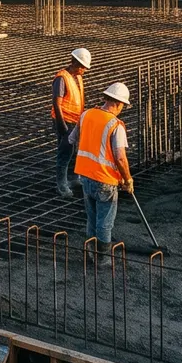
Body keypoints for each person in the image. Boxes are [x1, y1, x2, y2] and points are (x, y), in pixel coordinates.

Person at [73, 82, 135, 244]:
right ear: (118, 103)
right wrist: (127, 179)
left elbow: (72, 139)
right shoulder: (115, 125)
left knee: (91, 219)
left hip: (85, 176)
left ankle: (90, 252)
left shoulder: (86, 115)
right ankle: (102, 260)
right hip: (104, 181)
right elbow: (120, 157)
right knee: (105, 224)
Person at [51, 48, 92, 198]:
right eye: (82, 66)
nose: (84, 70)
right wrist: (62, 125)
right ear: (74, 62)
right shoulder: (62, 78)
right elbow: (57, 102)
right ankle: (61, 185)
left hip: (76, 120)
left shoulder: (77, 77)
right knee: (65, 152)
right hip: (65, 120)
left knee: (75, 150)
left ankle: (73, 178)